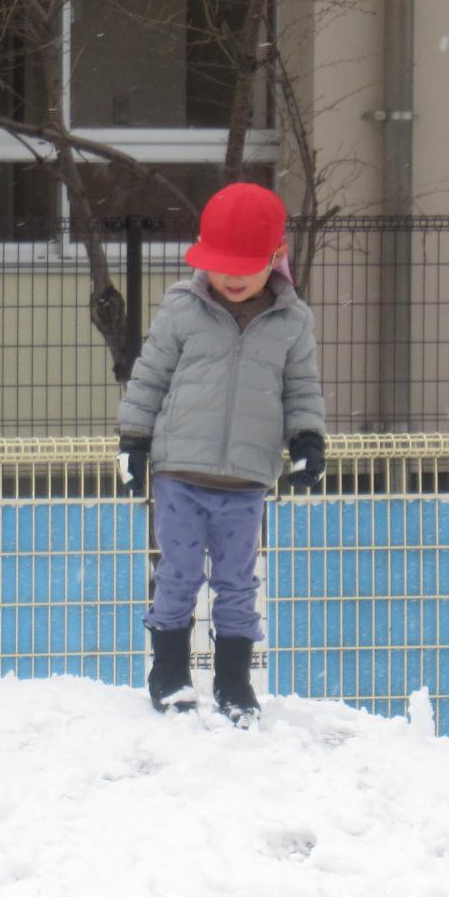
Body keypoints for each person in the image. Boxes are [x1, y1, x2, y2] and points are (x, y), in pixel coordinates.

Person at [116, 182, 326, 725]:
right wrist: (134, 440)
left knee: (238, 581)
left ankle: (234, 680)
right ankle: (170, 671)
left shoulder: (292, 322)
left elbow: (302, 389)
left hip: (247, 478)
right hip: (179, 472)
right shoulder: (183, 308)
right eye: (221, 264)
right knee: (179, 572)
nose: (232, 277)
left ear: (276, 258)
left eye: (246, 265)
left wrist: (307, 440)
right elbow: (149, 377)